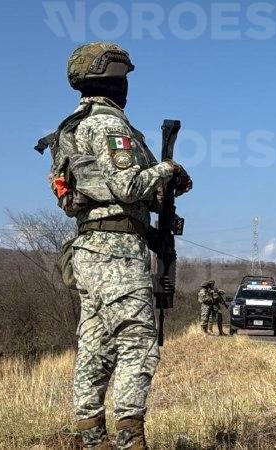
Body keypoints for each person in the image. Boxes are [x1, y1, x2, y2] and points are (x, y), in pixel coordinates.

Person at [58, 42, 192, 449]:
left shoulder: (75, 125)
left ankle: (91, 438)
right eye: (124, 78)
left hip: (88, 249)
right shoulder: (110, 126)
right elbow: (128, 185)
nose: (127, 86)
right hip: (117, 252)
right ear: (113, 79)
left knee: (96, 346)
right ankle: (130, 439)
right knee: (137, 341)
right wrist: (168, 169)